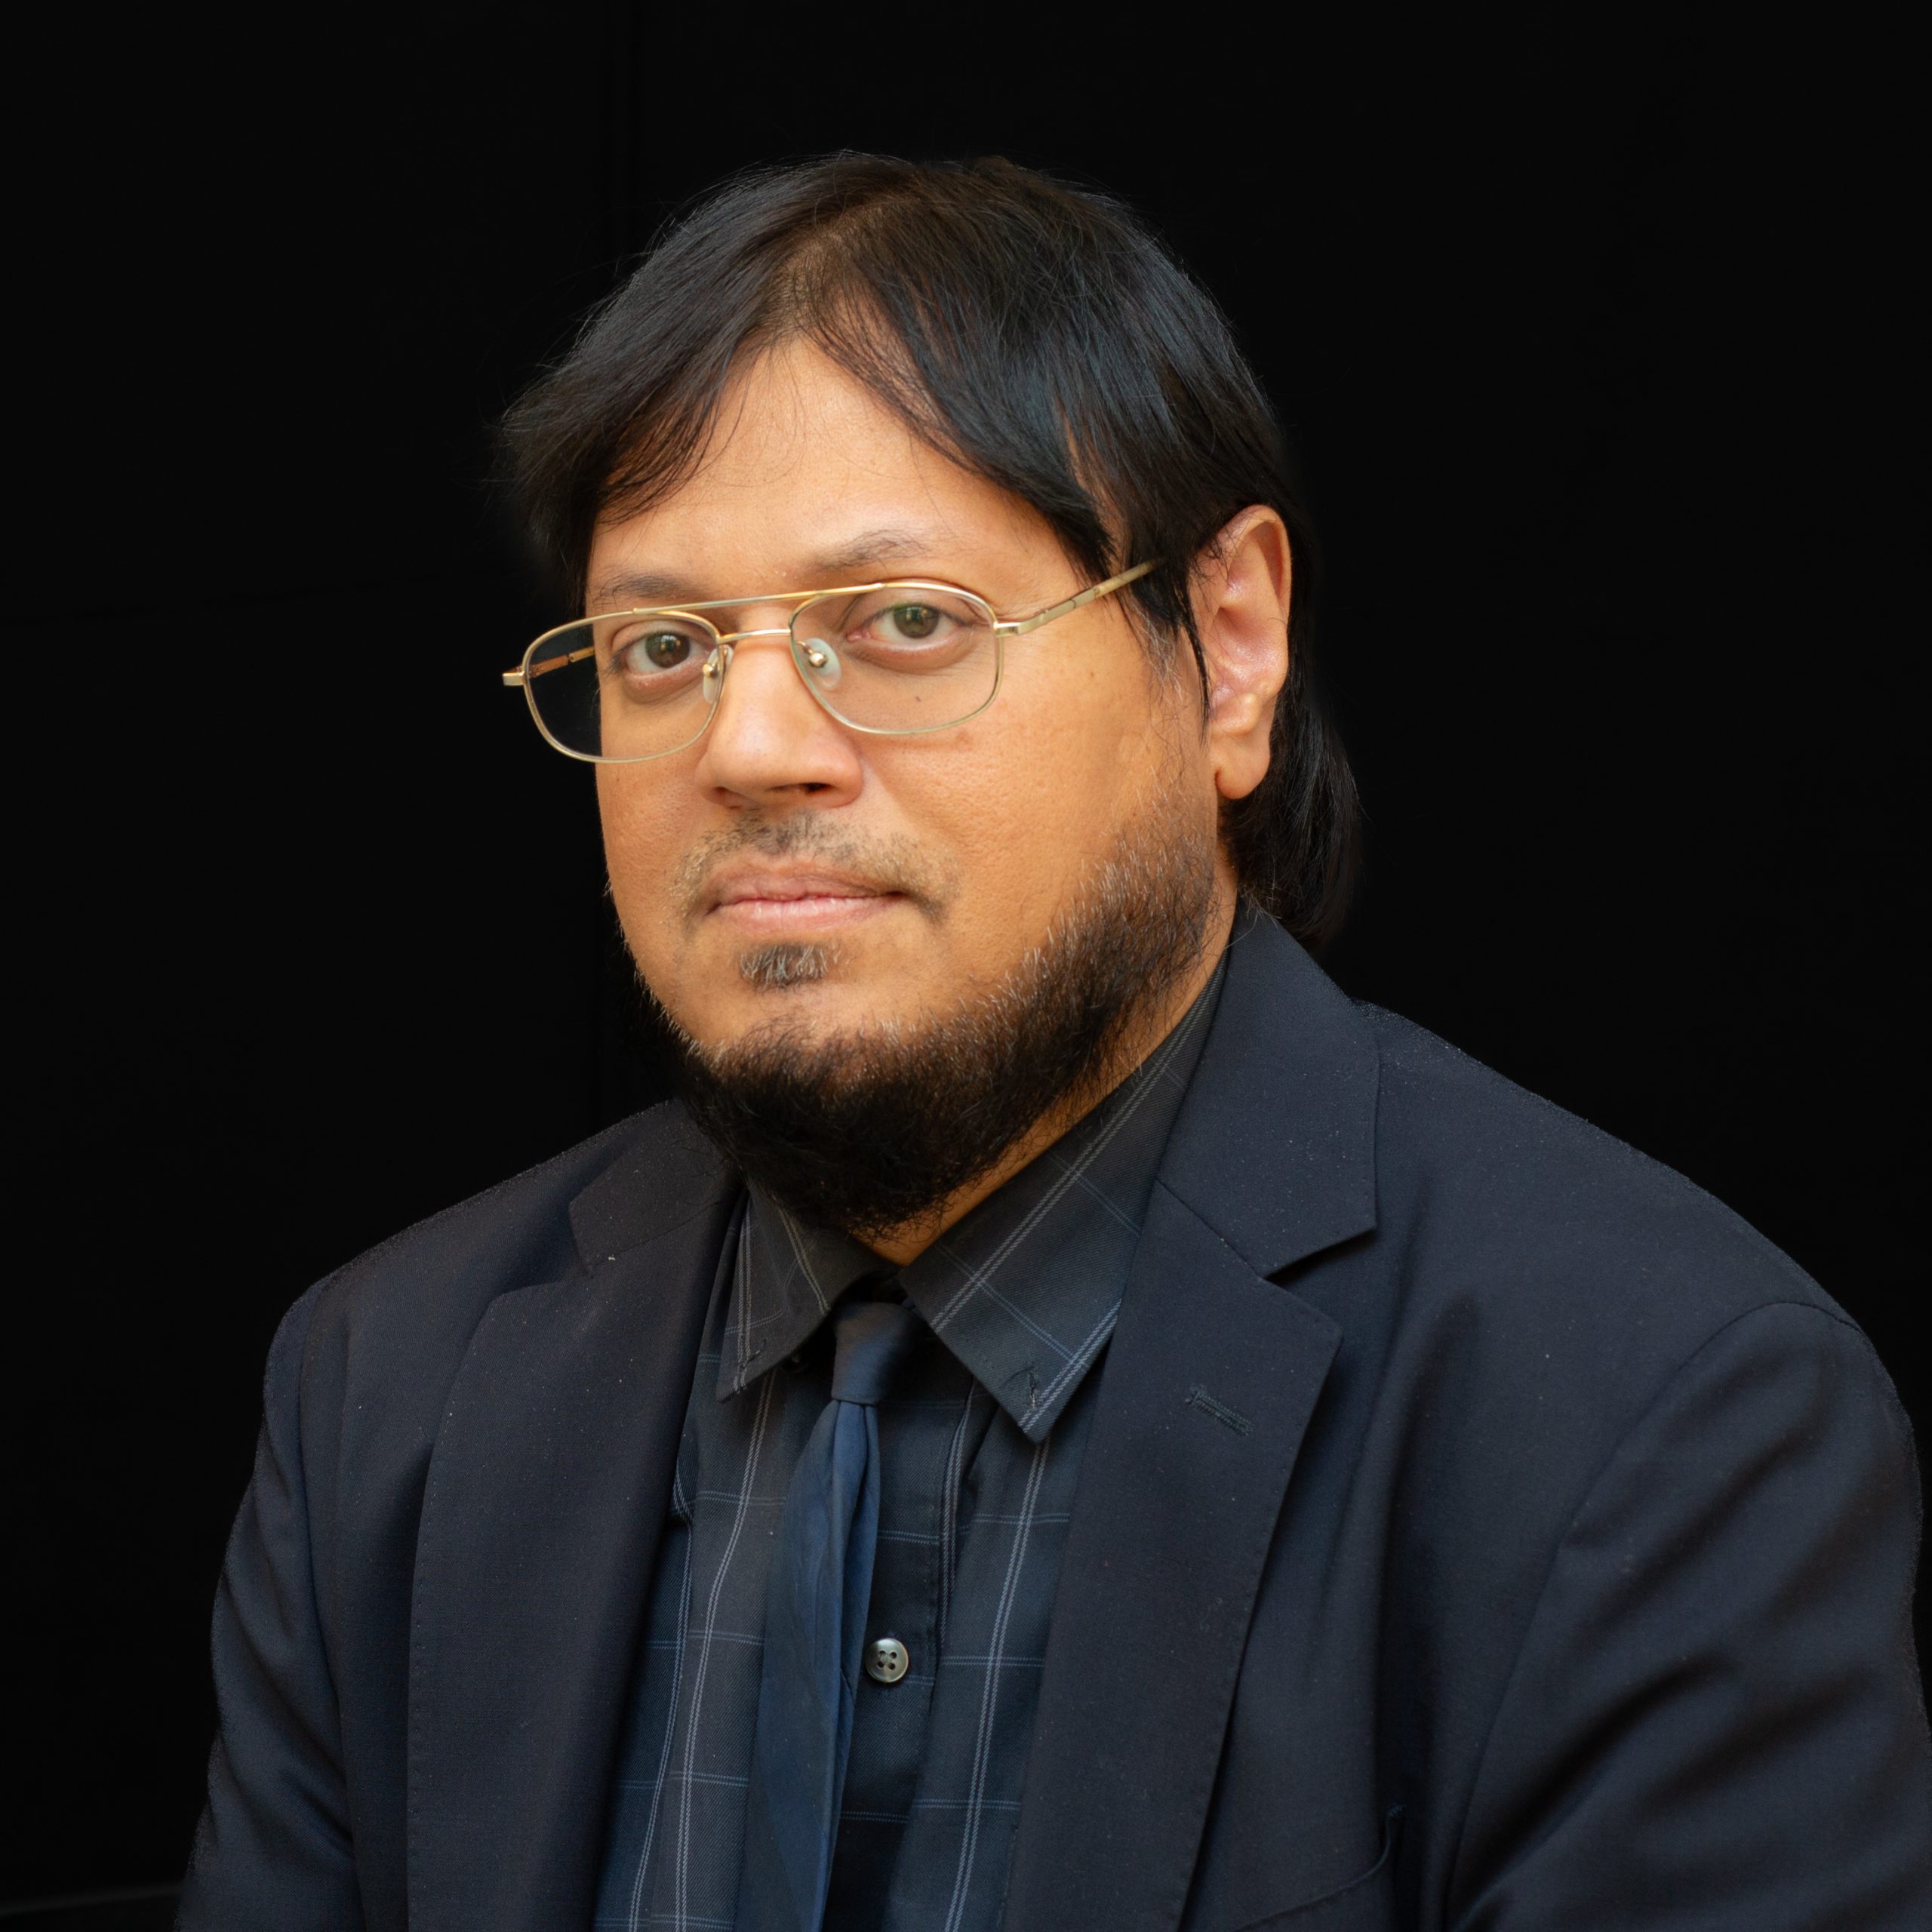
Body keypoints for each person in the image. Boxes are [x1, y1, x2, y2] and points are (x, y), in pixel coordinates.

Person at [177, 155, 1931, 1932]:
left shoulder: (1650, 1419)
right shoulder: (387, 1389)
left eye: (904, 622)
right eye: (661, 647)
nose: (749, 743)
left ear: (1227, 648)